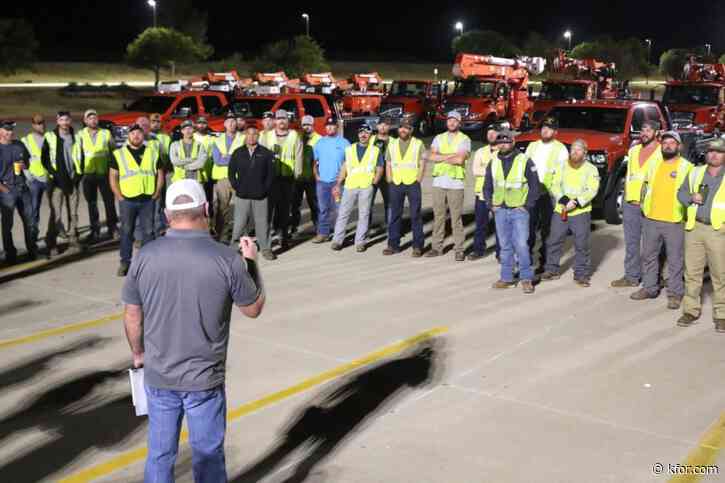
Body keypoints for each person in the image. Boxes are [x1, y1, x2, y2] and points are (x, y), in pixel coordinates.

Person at [121, 179, 265, 483]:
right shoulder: (227, 259)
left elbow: (132, 314)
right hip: (204, 380)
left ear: (166, 215)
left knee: (159, 455)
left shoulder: (144, 257)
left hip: (159, 376)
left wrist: (138, 354)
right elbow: (253, 308)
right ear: (206, 209)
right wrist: (251, 262)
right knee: (208, 456)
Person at [630, 131, 692, 309]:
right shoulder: (654, 165)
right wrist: (643, 206)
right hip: (651, 219)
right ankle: (650, 288)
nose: (668, 146)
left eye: (672, 143)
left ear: (679, 146)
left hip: (674, 220)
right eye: (665, 143)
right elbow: (645, 186)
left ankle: (675, 294)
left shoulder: (687, 167)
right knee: (649, 256)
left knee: (675, 260)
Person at [483, 129, 541, 294]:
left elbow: (535, 186)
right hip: (500, 210)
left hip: (519, 210)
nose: (503, 144)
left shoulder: (525, 161)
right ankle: (507, 278)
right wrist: (490, 204)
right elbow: (487, 186)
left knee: (522, 245)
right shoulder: (493, 162)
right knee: (505, 246)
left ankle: (526, 278)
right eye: (500, 142)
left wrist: (527, 205)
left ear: (513, 142)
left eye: (506, 141)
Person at [677, 139, 725, 330]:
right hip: (694, 228)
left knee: (720, 274)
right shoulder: (695, 172)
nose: (714, 154)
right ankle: (690, 310)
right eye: (711, 151)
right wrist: (690, 198)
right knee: (692, 273)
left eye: (719, 152)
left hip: (718, 230)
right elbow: (680, 193)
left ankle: (721, 314)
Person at [540, 139, 600, 287]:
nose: (574, 152)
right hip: (561, 210)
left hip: (581, 212)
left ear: (585, 153)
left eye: (578, 150)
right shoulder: (561, 166)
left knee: (581, 244)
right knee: (554, 241)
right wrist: (565, 200)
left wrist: (576, 202)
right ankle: (551, 269)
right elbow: (554, 184)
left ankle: (581, 274)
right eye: (572, 149)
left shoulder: (591, 169)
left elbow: (592, 189)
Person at [611, 120, 662, 288]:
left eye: (648, 130)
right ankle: (631, 276)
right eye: (642, 130)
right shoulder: (633, 151)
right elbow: (630, 175)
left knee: (652, 245)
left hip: (651, 205)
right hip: (631, 203)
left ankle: (653, 278)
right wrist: (626, 198)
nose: (644, 133)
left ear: (656, 132)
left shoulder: (662, 152)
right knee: (631, 243)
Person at [109, 124, 165, 276]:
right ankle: (125, 263)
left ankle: (147, 263)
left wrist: (157, 191)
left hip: (147, 199)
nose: (136, 136)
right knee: (127, 231)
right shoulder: (118, 154)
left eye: (139, 134)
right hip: (127, 200)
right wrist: (119, 196)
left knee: (148, 232)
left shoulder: (152, 152)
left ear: (143, 136)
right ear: (129, 136)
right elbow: (113, 177)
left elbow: (160, 173)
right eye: (133, 133)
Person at [524, 116, 569, 270]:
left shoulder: (560, 149)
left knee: (547, 230)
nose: (545, 130)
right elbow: (524, 166)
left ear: (555, 132)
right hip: (531, 193)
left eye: (549, 128)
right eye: (543, 127)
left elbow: (563, 174)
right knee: (528, 227)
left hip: (549, 194)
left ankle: (545, 260)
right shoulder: (532, 146)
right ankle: (526, 257)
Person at [331, 124, 384, 252]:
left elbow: (380, 168)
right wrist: (338, 183)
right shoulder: (349, 149)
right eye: (361, 132)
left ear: (370, 135)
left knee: (364, 215)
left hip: (366, 186)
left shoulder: (375, 150)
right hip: (350, 185)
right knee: (343, 213)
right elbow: (344, 167)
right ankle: (337, 240)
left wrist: (374, 182)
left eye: (366, 132)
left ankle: (360, 242)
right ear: (358, 134)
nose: (363, 135)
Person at [426, 111, 470, 261]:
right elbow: (430, 156)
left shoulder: (465, 139)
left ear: (459, 123)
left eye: (455, 121)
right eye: (449, 120)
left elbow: (460, 160)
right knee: (438, 216)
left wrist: (441, 157)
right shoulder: (439, 138)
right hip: (439, 182)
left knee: (456, 218)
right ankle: (436, 248)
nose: (451, 123)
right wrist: (450, 155)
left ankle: (459, 249)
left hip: (455, 183)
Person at [229, 125, 276, 260]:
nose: (251, 137)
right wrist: (237, 187)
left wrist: (264, 189)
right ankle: (234, 247)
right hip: (242, 195)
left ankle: (266, 249)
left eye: (254, 134)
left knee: (262, 224)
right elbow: (231, 172)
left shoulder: (266, 153)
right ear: (245, 136)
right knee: (239, 223)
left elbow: (271, 175)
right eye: (248, 134)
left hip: (260, 196)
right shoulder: (238, 152)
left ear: (258, 136)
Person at [73, 109, 118, 242]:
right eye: (89, 118)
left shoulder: (106, 133)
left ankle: (113, 228)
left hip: (104, 174)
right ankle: (95, 230)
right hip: (88, 175)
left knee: (109, 203)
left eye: (94, 118)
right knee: (92, 204)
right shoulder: (80, 135)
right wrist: (79, 172)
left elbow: (114, 152)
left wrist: (113, 170)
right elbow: (77, 154)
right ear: (85, 121)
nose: (92, 120)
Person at [383, 119, 425, 257]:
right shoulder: (392, 144)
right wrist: (389, 178)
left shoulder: (418, 144)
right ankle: (392, 245)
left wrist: (418, 179)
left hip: (412, 183)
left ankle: (417, 246)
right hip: (396, 183)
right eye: (401, 127)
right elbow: (388, 163)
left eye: (406, 128)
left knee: (415, 215)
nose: (403, 130)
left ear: (411, 130)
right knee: (395, 215)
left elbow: (422, 162)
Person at [41, 111, 81, 255]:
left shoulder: (76, 136)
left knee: (74, 213)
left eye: (67, 120)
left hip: (72, 180)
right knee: (55, 214)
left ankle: (73, 239)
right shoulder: (50, 137)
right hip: (57, 182)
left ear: (70, 121)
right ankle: (51, 243)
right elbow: (44, 159)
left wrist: (78, 174)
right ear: (57, 121)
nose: (64, 122)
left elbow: (79, 155)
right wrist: (53, 174)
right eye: (62, 120)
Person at [0, 120, 37, 263]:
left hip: (22, 188)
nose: (10, 133)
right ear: (0, 132)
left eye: (12, 130)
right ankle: (10, 254)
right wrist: (5, 190)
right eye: (7, 130)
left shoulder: (19, 145)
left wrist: (24, 165)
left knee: (30, 222)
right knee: (7, 225)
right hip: (6, 191)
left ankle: (32, 250)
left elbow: (27, 163)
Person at [267, 110, 303, 249]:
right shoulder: (267, 136)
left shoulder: (295, 135)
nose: (281, 121)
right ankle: (269, 237)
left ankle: (283, 236)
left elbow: (298, 156)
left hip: (287, 178)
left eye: (284, 118)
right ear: (275, 121)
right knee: (270, 209)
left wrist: (297, 174)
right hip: (271, 179)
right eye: (279, 119)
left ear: (288, 121)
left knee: (284, 209)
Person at [311, 117, 350, 243]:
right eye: (328, 126)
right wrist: (316, 175)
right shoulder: (320, 143)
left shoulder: (344, 143)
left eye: (332, 126)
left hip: (337, 182)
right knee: (323, 209)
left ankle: (339, 235)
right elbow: (315, 162)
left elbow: (349, 163)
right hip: (322, 182)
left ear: (337, 127)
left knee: (339, 210)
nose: (330, 128)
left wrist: (342, 179)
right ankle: (323, 233)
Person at [469, 123, 501, 261]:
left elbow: (502, 173)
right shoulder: (481, 151)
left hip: (499, 195)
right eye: (489, 133)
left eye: (494, 133)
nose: (491, 135)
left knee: (500, 226)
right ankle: (478, 250)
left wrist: (485, 169)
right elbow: (475, 171)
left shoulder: (503, 151)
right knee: (480, 224)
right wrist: (492, 171)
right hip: (481, 195)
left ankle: (501, 253)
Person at [211, 113, 245, 244]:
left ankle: (240, 236)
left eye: (233, 121)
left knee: (242, 208)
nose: (232, 124)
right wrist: (234, 157)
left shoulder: (243, 138)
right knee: (222, 209)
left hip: (239, 177)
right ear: (224, 124)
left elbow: (243, 158)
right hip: (223, 179)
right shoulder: (218, 140)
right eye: (229, 122)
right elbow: (218, 160)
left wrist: (227, 156)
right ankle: (223, 236)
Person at [21, 114, 49, 247]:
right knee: (34, 209)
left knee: (55, 208)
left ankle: (54, 232)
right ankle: (33, 234)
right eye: (38, 123)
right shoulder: (26, 140)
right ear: (33, 125)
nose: (41, 125)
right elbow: (22, 160)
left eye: (42, 123)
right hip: (34, 181)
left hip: (48, 179)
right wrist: (28, 176)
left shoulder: (49, 139)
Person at [290, 115, 320, 237]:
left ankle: (318, 227)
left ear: (313, 125)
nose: (306, 127)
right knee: (295, 204)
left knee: (314, 204)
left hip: (312, 178)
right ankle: (294, 227)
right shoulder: (297, 138)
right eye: (304, 125)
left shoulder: (319, 139)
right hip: (298, 177)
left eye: (309, 125)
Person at [149, 113, 172, 236]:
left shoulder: (166, 137)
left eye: (158, 122)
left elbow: (168, 155)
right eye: (153, 121)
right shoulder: (146, 137)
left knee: (163, 200)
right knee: (153, 200)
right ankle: (154, 226)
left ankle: (162, 225)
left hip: (164, 172)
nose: (156, 124)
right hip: (150, 173)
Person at [369, 118, 392, 231]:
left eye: (386, 125)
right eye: (380, 125)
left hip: (387, 177)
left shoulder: (393, 141)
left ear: (389, 127)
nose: (383, 127)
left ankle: (390, 228)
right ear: (377, 126)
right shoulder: (370, 139)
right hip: (372, 177)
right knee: (368, 204)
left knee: (390, 204)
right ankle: (365, 229)